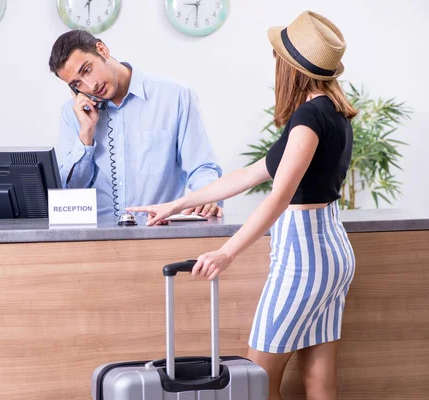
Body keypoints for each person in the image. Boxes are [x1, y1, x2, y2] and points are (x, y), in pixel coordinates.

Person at [127, 11, 356, 400]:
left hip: (303, 259)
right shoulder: (333, 113)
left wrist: (226, 252)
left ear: (289, 67)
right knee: (319, 382)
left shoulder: (307, 118)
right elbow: (251, 173)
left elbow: (279, 196)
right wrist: (177, 202)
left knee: (255, 384)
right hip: (333, 252)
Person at [48, 30, 223, 220]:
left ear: (102, 49)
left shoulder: (175, 96)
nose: (90, 86)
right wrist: (86, 135)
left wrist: (207, 197)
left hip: (159, 234)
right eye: (77, 83)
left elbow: (202, 167)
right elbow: (68, 193)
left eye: (87, 70)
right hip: (95, 241)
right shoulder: (73, 113)